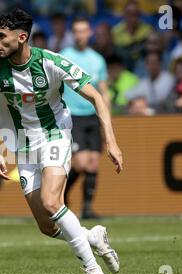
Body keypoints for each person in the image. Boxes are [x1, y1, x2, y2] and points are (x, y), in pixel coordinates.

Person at [0, 8, 123, 274]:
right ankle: (91, 236)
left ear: (21, 37)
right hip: (23, 146)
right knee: (47, 226)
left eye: (1, 36)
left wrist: (111, 142)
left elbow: (97, 97)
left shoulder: (51, 63)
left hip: (54, 134)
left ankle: (94, 272)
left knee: (52, 202)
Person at [60, 17, 111, 219]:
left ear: (89, 33)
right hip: (72, 116)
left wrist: (106, 115)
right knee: (80, 163)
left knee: (93, 163)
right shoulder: (64, 56)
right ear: (73, 34)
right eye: (76, 31)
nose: (80, 35)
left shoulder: (97, 59)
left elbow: (103, 90)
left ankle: (87, 209)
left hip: (92, 115)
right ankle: (61, 196)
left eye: (83, 31)